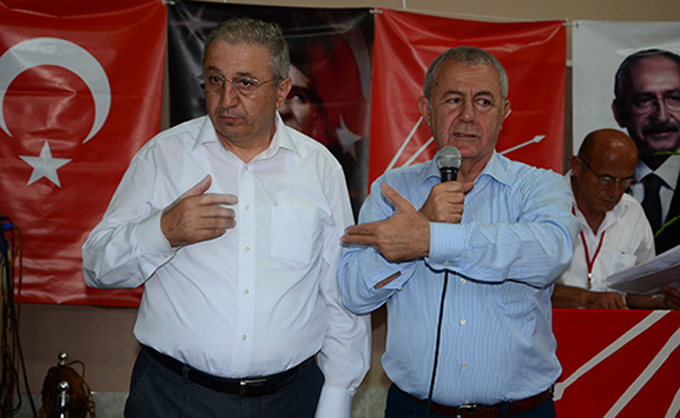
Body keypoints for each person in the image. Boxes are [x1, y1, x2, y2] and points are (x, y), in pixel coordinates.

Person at [81, 17, 370, 418]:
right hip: (173, 397)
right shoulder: (163, 157)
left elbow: (338, 295)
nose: (226, 99)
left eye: (245, 83)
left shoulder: (319, 168)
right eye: (215, 80)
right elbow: (96, 267)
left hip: (289, 399)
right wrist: (163, 231)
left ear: (282, 90)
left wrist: (337, 396)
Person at [338, 46, 579, 418]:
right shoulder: (392, 190)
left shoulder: (539, 187)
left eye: (484, 102)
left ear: (504, 113)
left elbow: (551, 252)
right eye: (453, 99)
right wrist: (415, 230)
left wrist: (431, 239)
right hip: (415, 410)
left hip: (520, 411)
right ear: (426, 110)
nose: (468, 115)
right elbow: (354, 294)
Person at [553, 129, 680, 309]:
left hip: (617, 326)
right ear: (577, 166)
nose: (615, 192)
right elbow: (522, 287)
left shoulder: (632, 212)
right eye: (606, 179)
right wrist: (584, 298)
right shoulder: (544, 206)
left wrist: (660, 301)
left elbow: (633, 293)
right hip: (554, 325)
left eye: (626, 181)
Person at [612, 49, 680, 254]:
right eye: (644, 101)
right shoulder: (596, 184)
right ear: (619, 112)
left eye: (674, 98)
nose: (661, 116)